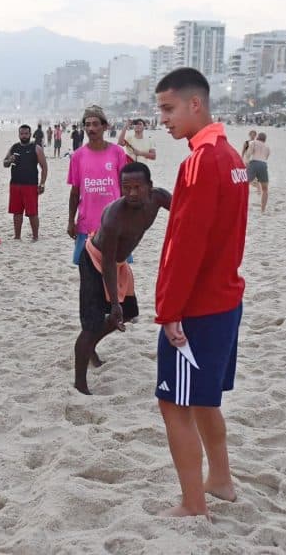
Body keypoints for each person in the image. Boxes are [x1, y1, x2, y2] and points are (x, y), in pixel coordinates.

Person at [153, 67, 249, 518]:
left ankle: (193, 505)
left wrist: (170, 310)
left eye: (169, 109)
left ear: (196, 104)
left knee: (174, 404)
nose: (164, 120)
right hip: (225, 297)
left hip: (199, 306)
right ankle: (222, 481)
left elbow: (186, 243)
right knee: (206, 397)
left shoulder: (201, 160)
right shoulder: (230, 155)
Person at [74, 162, 171, 395]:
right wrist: (113, 303)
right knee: (93, 323)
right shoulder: (114, 215)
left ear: (150, 186)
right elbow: (106, 261)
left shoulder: (159, 198)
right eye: (126, 188)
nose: (132, 193)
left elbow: (184, 212)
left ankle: (92, 346)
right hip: (95, 261)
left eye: (138, 187)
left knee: (128, 313)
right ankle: (80, 382)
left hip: (118, 262)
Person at [67, 105, 129, 265]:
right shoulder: (78, 156)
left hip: (114, 224)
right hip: (86, 225)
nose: (91, 128)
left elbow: (125, 188)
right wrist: (70, 221)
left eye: (95, 124)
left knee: (116, 277)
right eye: (87, 124)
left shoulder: (117, 152)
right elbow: (75, 192)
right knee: (88, 275)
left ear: (105, 126)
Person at [3, 124, 49, 241]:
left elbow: (44, 166)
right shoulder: (14, 147)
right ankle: (17, 236)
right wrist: (9, 160)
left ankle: (35, 236)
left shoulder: (36, 148)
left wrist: (42, 184)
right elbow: (5, 163)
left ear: (30, 134)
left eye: (26, 133)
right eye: (22, 134)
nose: (24, 136)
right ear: (19, 134)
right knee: (16, 212)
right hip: (15, 184)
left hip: (31, 185)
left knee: (32, 213)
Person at [248, 132, 270, 214]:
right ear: (265, 139)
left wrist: (246, 164)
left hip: (254, 163)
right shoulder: (267, 147)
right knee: (265, 189)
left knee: (244, 184)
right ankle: (263, 210)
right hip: (263, 165)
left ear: (257, 137)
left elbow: (248, 154)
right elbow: (266, 157)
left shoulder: (253, 142)